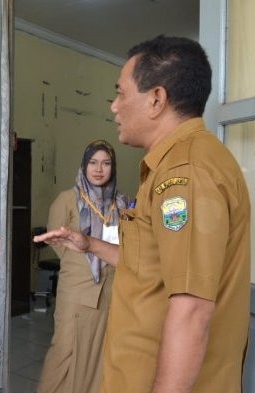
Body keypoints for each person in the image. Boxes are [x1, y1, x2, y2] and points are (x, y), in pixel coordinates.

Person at [35, 36, 250, 393]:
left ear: (156, 100)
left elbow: (192, 310)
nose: (114, 106)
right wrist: (89, 243)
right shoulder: (171, 166)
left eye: (121, 93)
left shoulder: (185, 174)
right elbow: (151, 267)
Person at [37, 140, 126, 393]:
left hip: (111, 290)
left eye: (106, 163)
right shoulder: (67, 200)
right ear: (84, 165)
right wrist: (84, 264)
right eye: (93, 162)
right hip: (76, 290)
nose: (99, 169)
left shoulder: (120, 203)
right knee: (65, 352)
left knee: (98, 355)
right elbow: (59, 244)